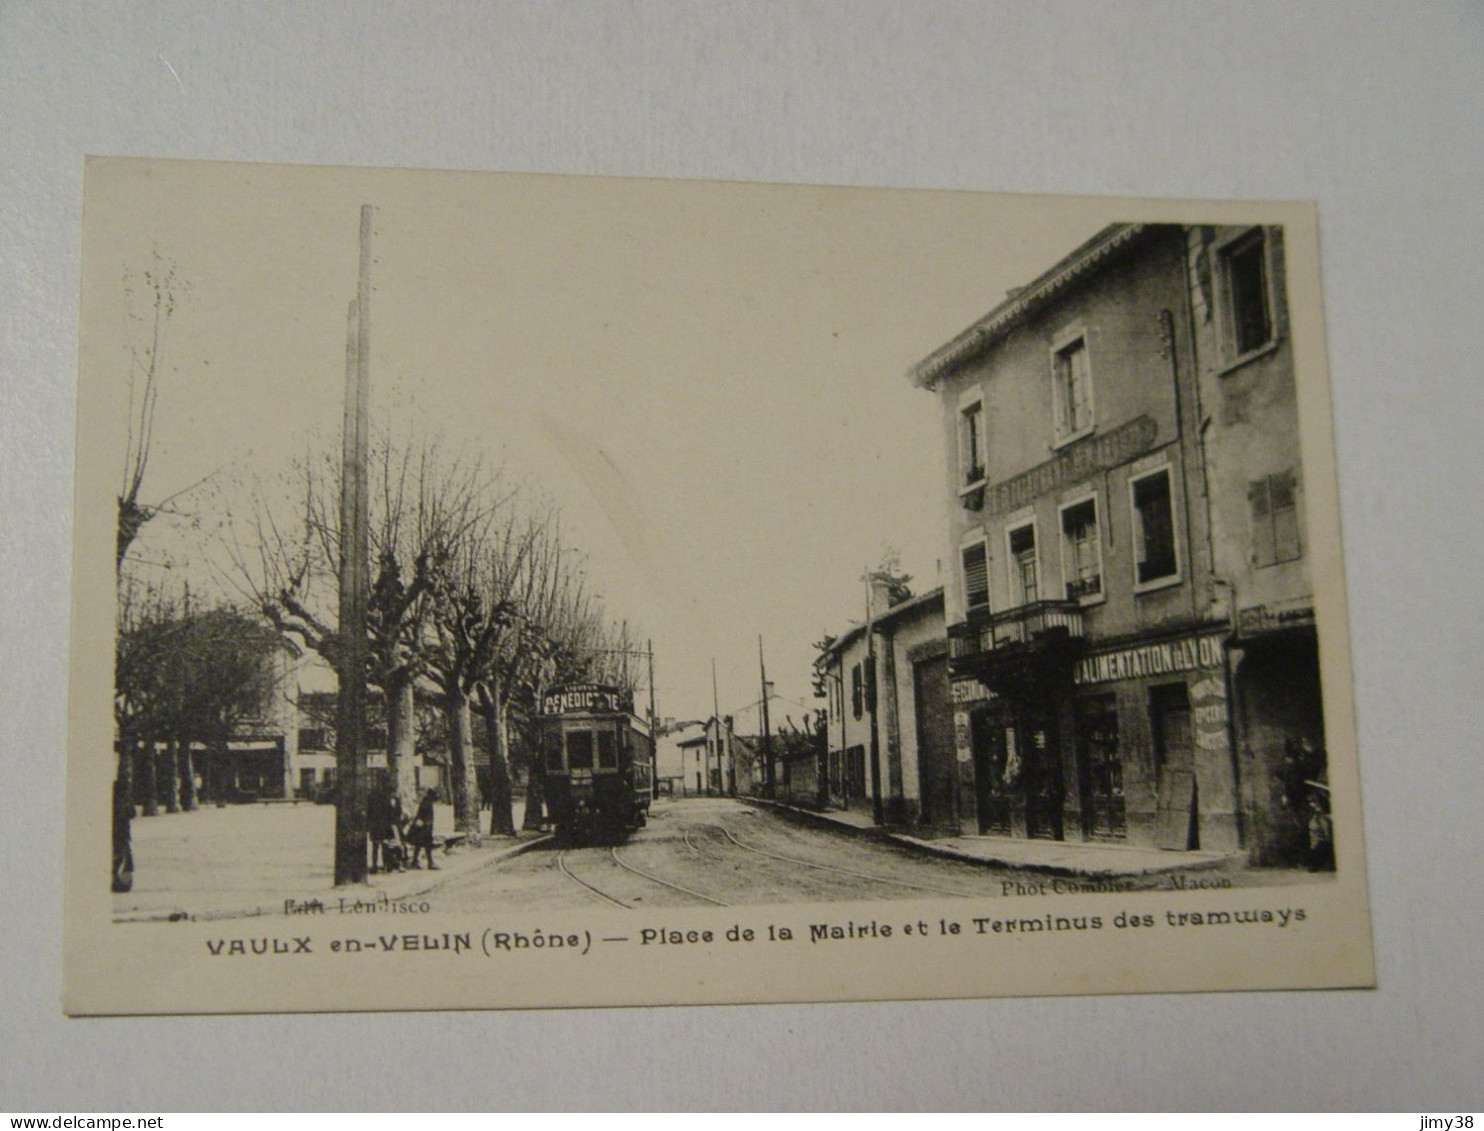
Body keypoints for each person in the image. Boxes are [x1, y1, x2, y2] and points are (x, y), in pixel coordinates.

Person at [367, 781, 405, 873]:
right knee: (376, 847)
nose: (394, 794)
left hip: (391, 827)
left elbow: (398, 812)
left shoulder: (397, 800)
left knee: (387, 847)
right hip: (380, 827)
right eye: (393, 792)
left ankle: (387, 865)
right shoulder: (382, 801)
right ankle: (375, 866)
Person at [406, 788, 439, 870]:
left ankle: (416, 861)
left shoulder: (426, 802)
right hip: (424, 829)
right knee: (426, 846)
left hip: (423, 829)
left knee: (419, 845)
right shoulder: (427, 804)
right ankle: (429, 863)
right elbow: (425, 818)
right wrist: (428, 827)